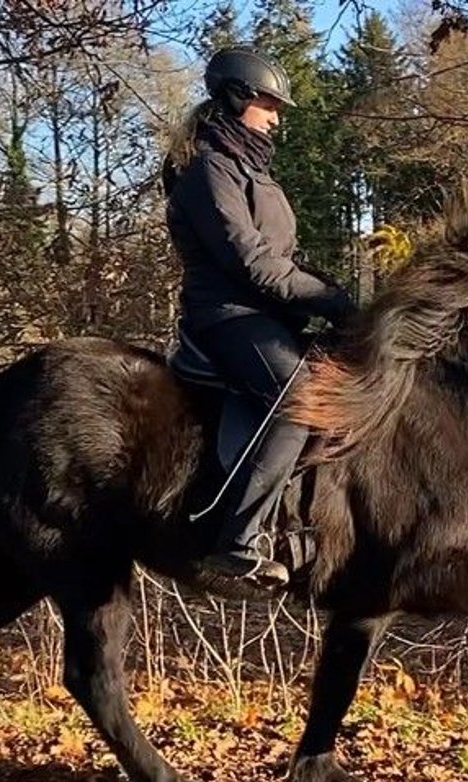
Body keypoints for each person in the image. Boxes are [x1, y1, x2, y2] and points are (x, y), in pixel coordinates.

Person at [163, 46, 356, 586]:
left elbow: (284, 259)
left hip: (267, 314)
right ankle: (238, 541)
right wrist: (329, 299)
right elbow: (251, 261)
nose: (277, 119)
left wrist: (336, 295)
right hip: (228, 315)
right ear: (238, 98)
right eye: (271, 106)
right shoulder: (207, 170)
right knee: (300, 402)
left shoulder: (251, 170)